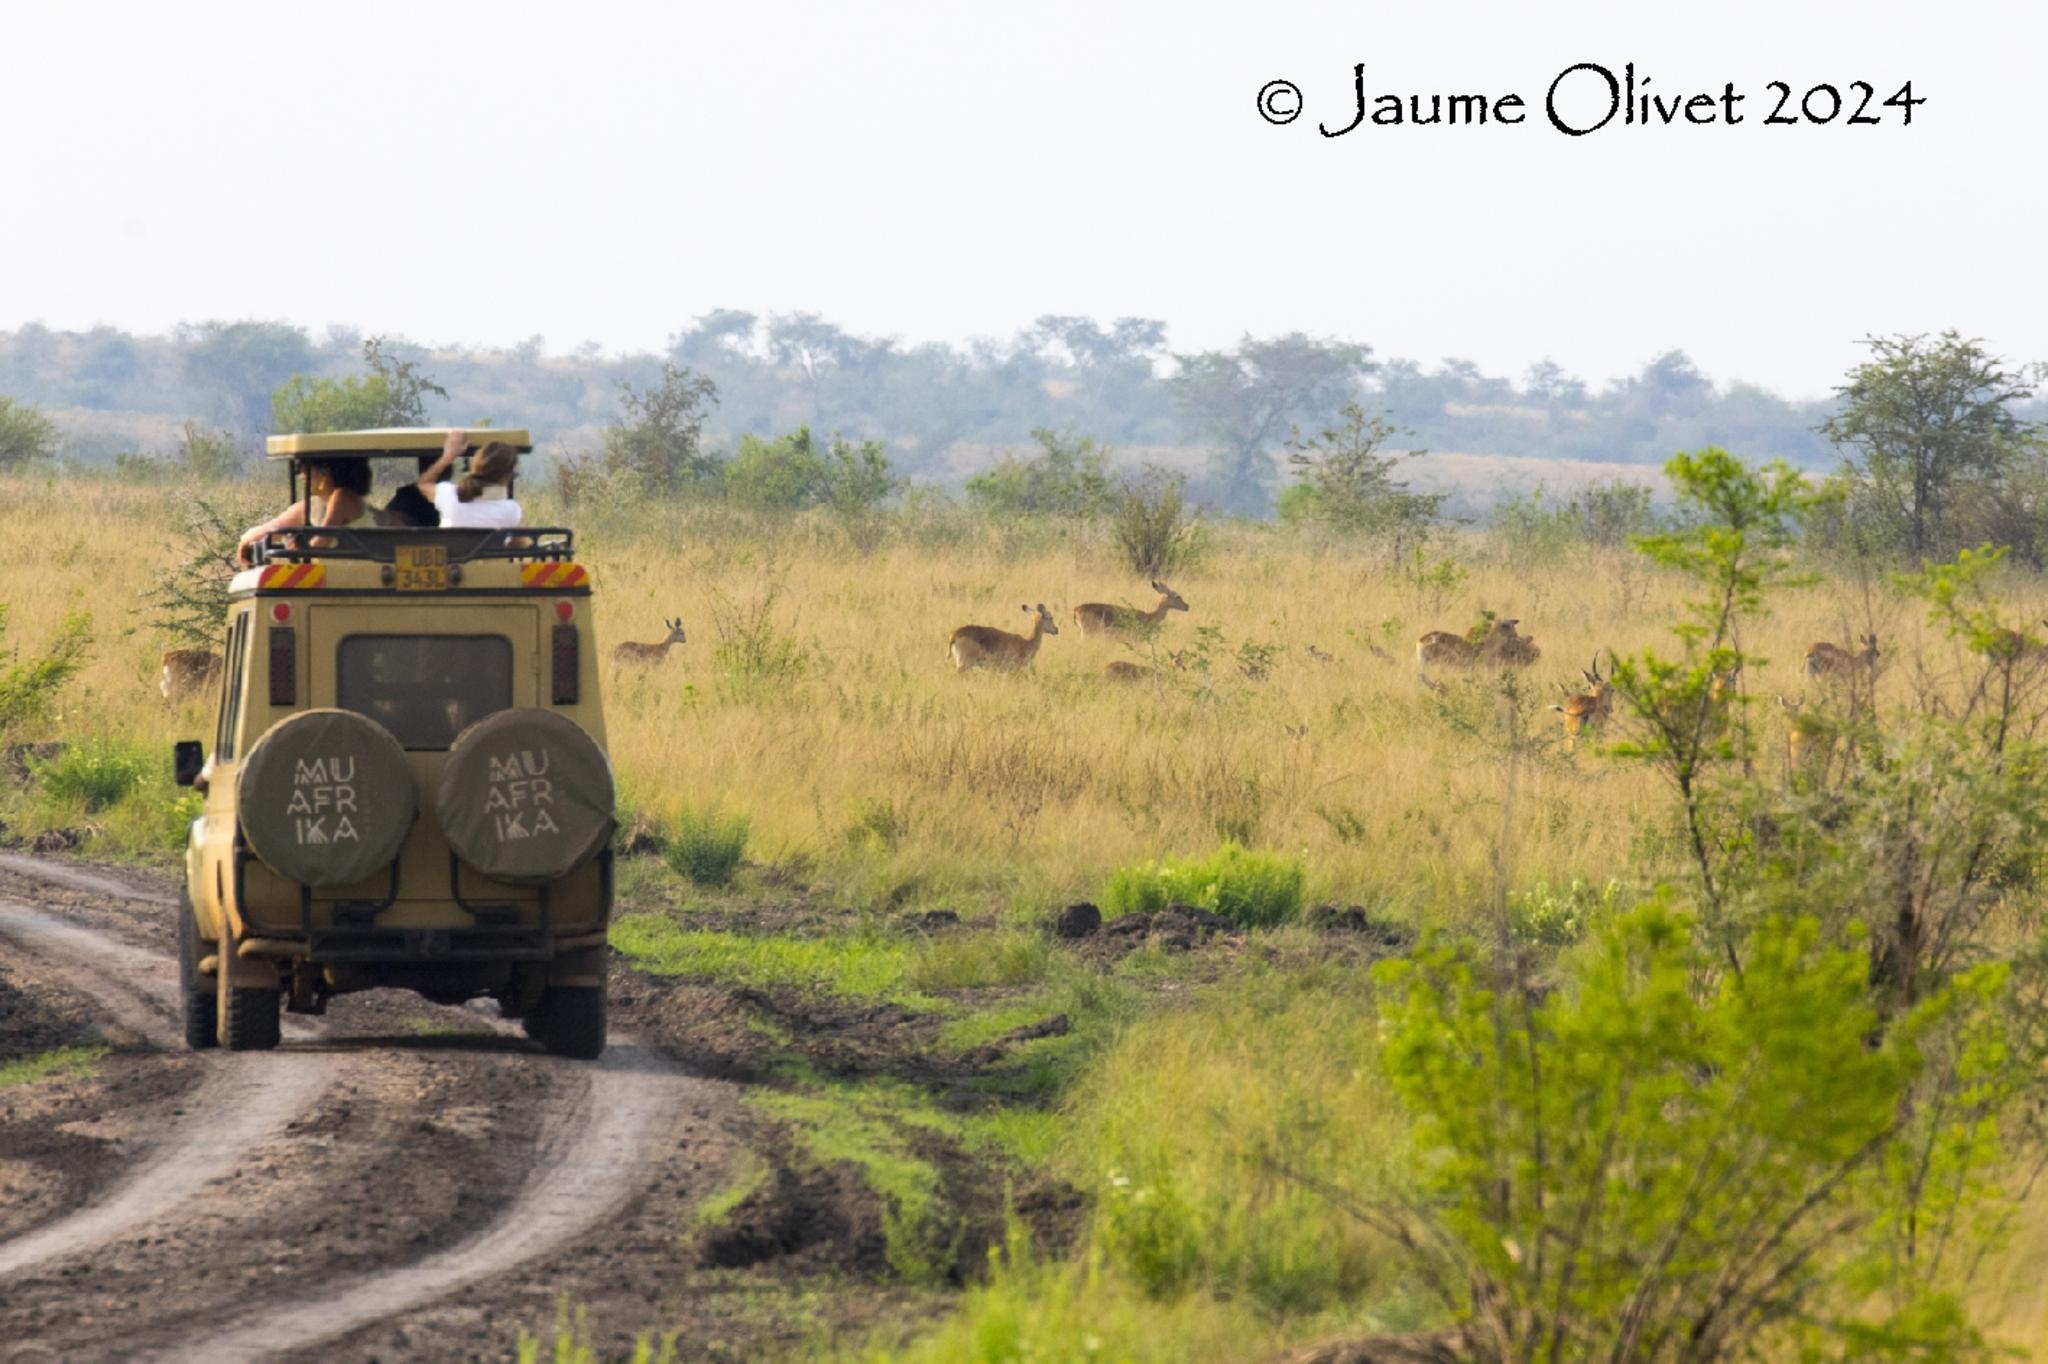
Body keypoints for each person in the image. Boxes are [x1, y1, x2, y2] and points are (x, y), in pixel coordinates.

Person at [236, 457, 371, 565]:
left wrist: (303, 549)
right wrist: (246, 540)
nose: (301, 476)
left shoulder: (341, 497)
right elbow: (271, 529)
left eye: (304, 468)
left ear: (325, 471)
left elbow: (322, 541)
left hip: (346, 581)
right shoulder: (313, 505)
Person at [415, 428, 523, 529]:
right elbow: (524, 545)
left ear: (475, 466)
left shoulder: (449, 495)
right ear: (505, 477)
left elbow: (423, 483)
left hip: (454, 550)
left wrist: (448, 457)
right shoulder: (510, 510)